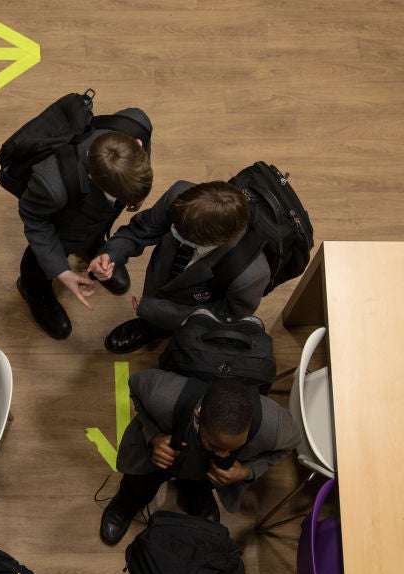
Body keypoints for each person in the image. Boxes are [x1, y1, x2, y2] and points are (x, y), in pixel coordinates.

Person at [99, 371, 300, 546]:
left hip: (205, 473)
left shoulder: (275, 426)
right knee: (140, 483)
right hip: (159, 455)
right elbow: (135, 386)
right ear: (197, 417)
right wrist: (154, 437)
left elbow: (291, 445)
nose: (223, 455)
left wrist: (248, 471)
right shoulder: (161, 394)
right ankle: (129, 501)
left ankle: (194, 495)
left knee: (199, 484)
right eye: (215, 446)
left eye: (234, 448)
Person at [88, 181, 269, 354]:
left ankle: (159, 330)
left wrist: (155, 310)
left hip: (192, 305)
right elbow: (141, 229)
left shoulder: (250, 275)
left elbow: (223, 318)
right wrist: (110, 254)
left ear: (216, 242)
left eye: (181, 235)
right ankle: (150, 326)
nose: (172, 230)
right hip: (160, 275)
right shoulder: (180, 196)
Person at [16, 112, 153, 339]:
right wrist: (61, 270)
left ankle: (93, 247)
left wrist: (138, 196)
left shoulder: (137, 124)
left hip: (96, 218)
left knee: (98, 227)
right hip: (64, 225)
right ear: (91, 176)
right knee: (40, 263)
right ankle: (33, 289)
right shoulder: (52, 186)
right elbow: (34, 219)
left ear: (137, 144)